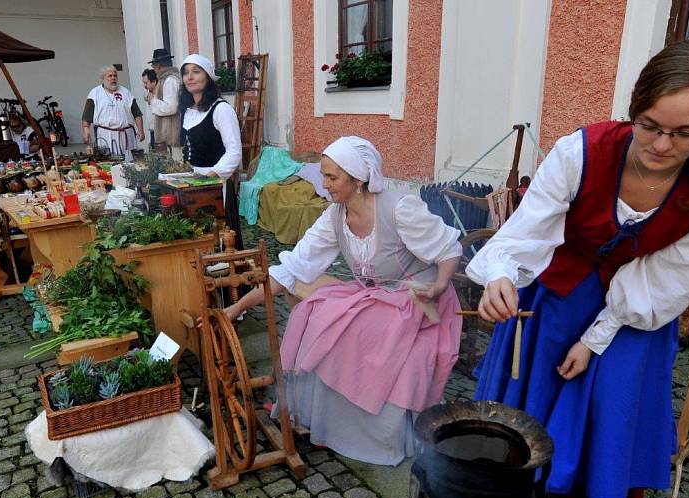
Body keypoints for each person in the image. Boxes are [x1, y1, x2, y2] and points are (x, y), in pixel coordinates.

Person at [466, 38, 689, 498]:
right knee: (533, 411)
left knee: (610, 413)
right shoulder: (580, 152)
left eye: (686, 133)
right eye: (651, 126)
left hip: (640, 312)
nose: (663, 145)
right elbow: (523, 234)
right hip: (558, 298)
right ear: (635, 109)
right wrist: (500, 275)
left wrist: (597, 337)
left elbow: (673, 276)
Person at [220, 136, 463, 465]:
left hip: (421, 302)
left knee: (353, 328)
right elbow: (293, 266)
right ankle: (325, 417)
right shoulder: (335, 217)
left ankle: (373, 434)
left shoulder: (399, 208)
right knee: (315, 312)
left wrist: (439, 284)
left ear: (358, 179)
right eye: (324, 175)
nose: (324, 184)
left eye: (332, 177)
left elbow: (449, 249)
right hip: (378, 299)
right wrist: (236, 308)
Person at [179, 54, 242, 235]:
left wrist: (211, 177)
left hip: (215, 183)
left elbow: (234, 152)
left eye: (196, 72)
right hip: (192, 182)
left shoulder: (221, 109)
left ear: (207, 76)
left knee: (218, 235)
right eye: (186, 73)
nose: (189, 77)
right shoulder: (188, 111)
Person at [82, 66, 144, 159]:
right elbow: (87, 116)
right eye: (110, 76)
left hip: (126, 135)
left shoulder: (125, 92)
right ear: (103, 78)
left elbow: (137, 113)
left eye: (115, 75)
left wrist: (140, 130)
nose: (113, 78)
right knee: (109, 163)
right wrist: (86, 132)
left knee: (130, 162)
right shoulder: (95, 93)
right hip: (105, 135)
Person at [145, 48, 183, 158]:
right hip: (170, 133)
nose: (153, 69)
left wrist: (153, 101)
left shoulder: (170, 80)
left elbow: (171, 107)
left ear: (159, 66)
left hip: (172, 134)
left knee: (175, 167)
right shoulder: (168, 79)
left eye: (154, 66)